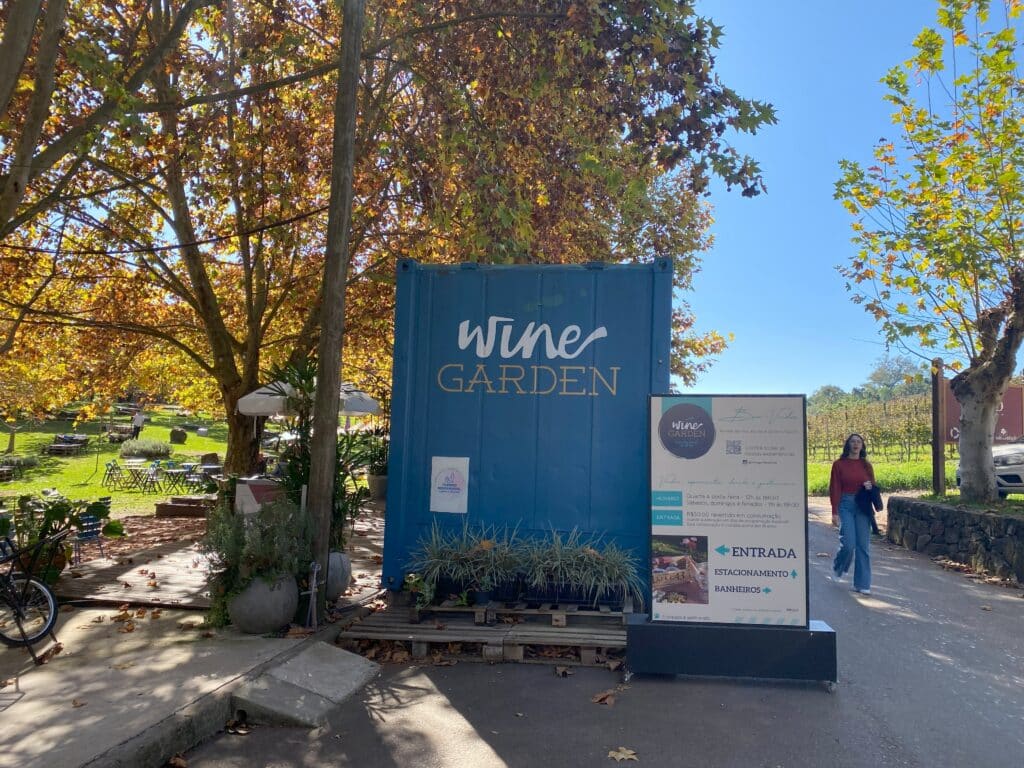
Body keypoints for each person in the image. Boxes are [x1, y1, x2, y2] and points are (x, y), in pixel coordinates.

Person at [829, 433, 875, 595]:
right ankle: (838, 567)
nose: (856, 444)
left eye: (859, 442)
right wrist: (834, 511)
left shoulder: (866, 465)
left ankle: (862, 584)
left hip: (863, 505)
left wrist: (869, 486)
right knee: (849, 544)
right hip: (845, 504)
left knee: (863, 546)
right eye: (853, 441)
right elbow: (835, 488)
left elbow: (873, 487)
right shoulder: (839, 465)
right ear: (848, 445)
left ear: (862, 446)